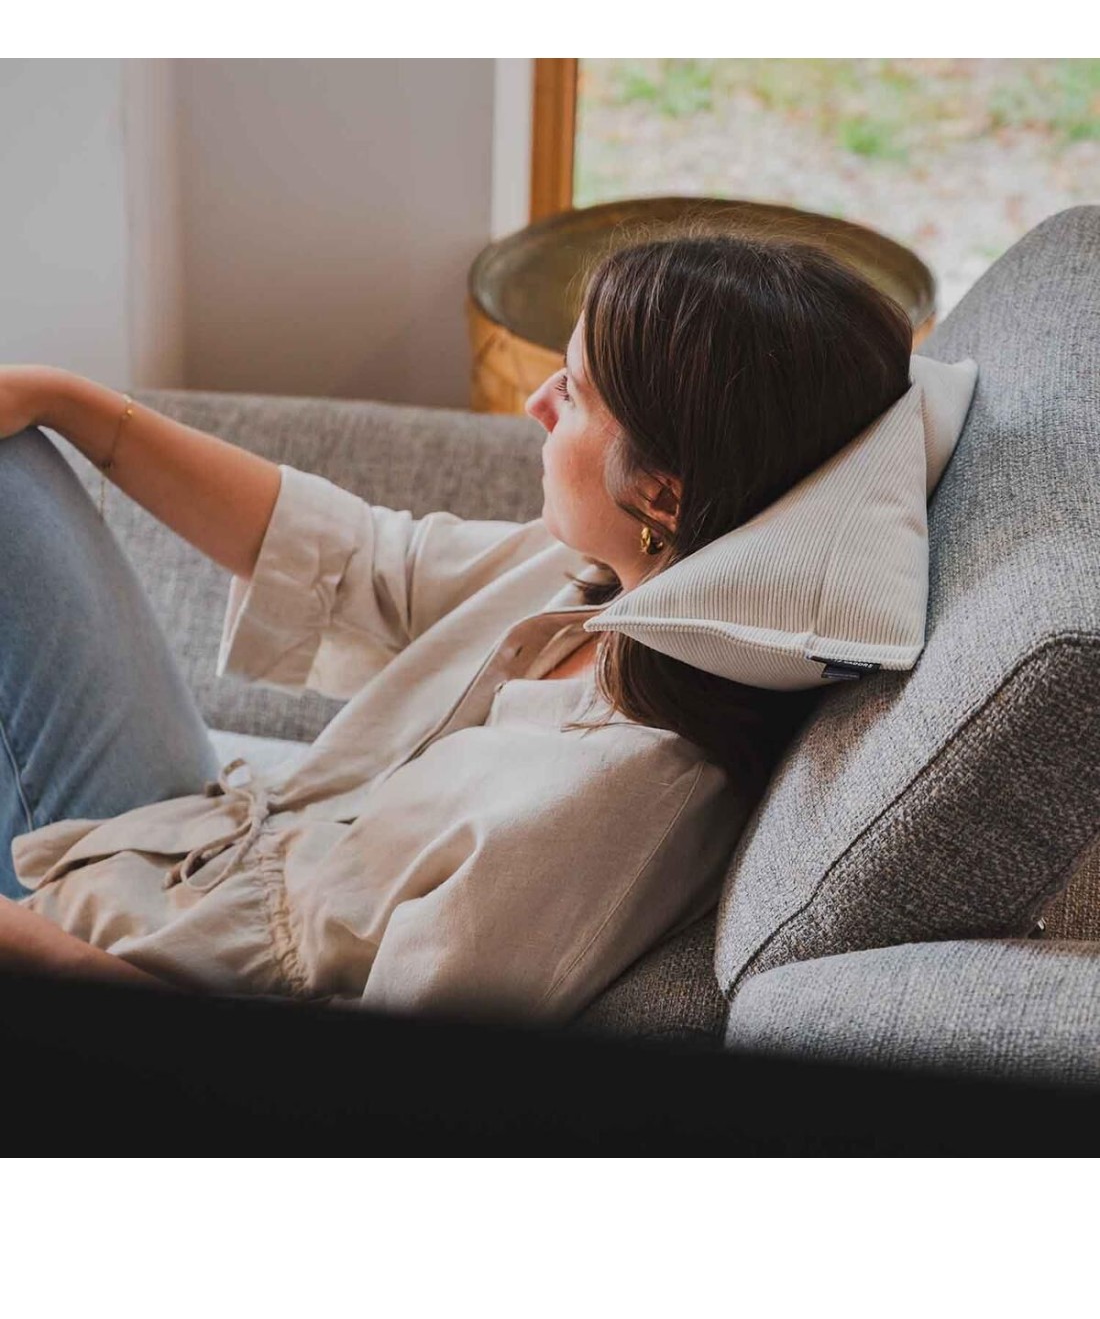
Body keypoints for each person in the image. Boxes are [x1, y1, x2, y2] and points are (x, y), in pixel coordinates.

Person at [0, 231, 914, 1021]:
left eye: (574, 392)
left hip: (133, 961)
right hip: (181, 845)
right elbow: (364, 558)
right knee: (15, 461)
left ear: (663, 496)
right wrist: (67, 400)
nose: (535, 404)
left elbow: (346, 1093)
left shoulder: (608, 804)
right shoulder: (614, 578)